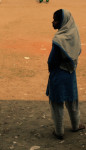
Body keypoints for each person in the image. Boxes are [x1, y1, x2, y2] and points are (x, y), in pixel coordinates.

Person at [46, 9, 85, 140]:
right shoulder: (74, 33)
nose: (53, 22)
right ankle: (75, 125)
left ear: (62, 22)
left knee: (57, 104)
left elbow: (52, 60)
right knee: (72, 101)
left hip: (58, 74)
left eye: (55, 20)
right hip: (70, 73)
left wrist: (51, 69)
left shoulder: (58, 39)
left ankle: (59, 131)